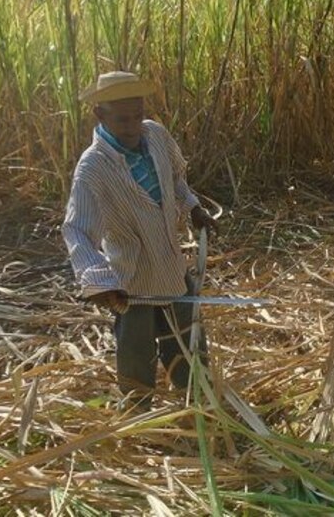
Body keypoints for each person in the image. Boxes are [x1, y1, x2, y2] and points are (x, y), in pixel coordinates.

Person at [62, 71, 218, 409]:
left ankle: (199, 403)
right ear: (99, 116)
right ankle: (138, 413)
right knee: (136, 352)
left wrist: (192, 207)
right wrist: (100, 282)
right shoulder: (93, 169)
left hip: (172, 268)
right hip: (132, 282)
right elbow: (76, 229)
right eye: (122, 119)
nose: (132, 126)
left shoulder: (156, 136)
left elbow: (175, 177)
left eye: (137, 114)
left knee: (188, 342)